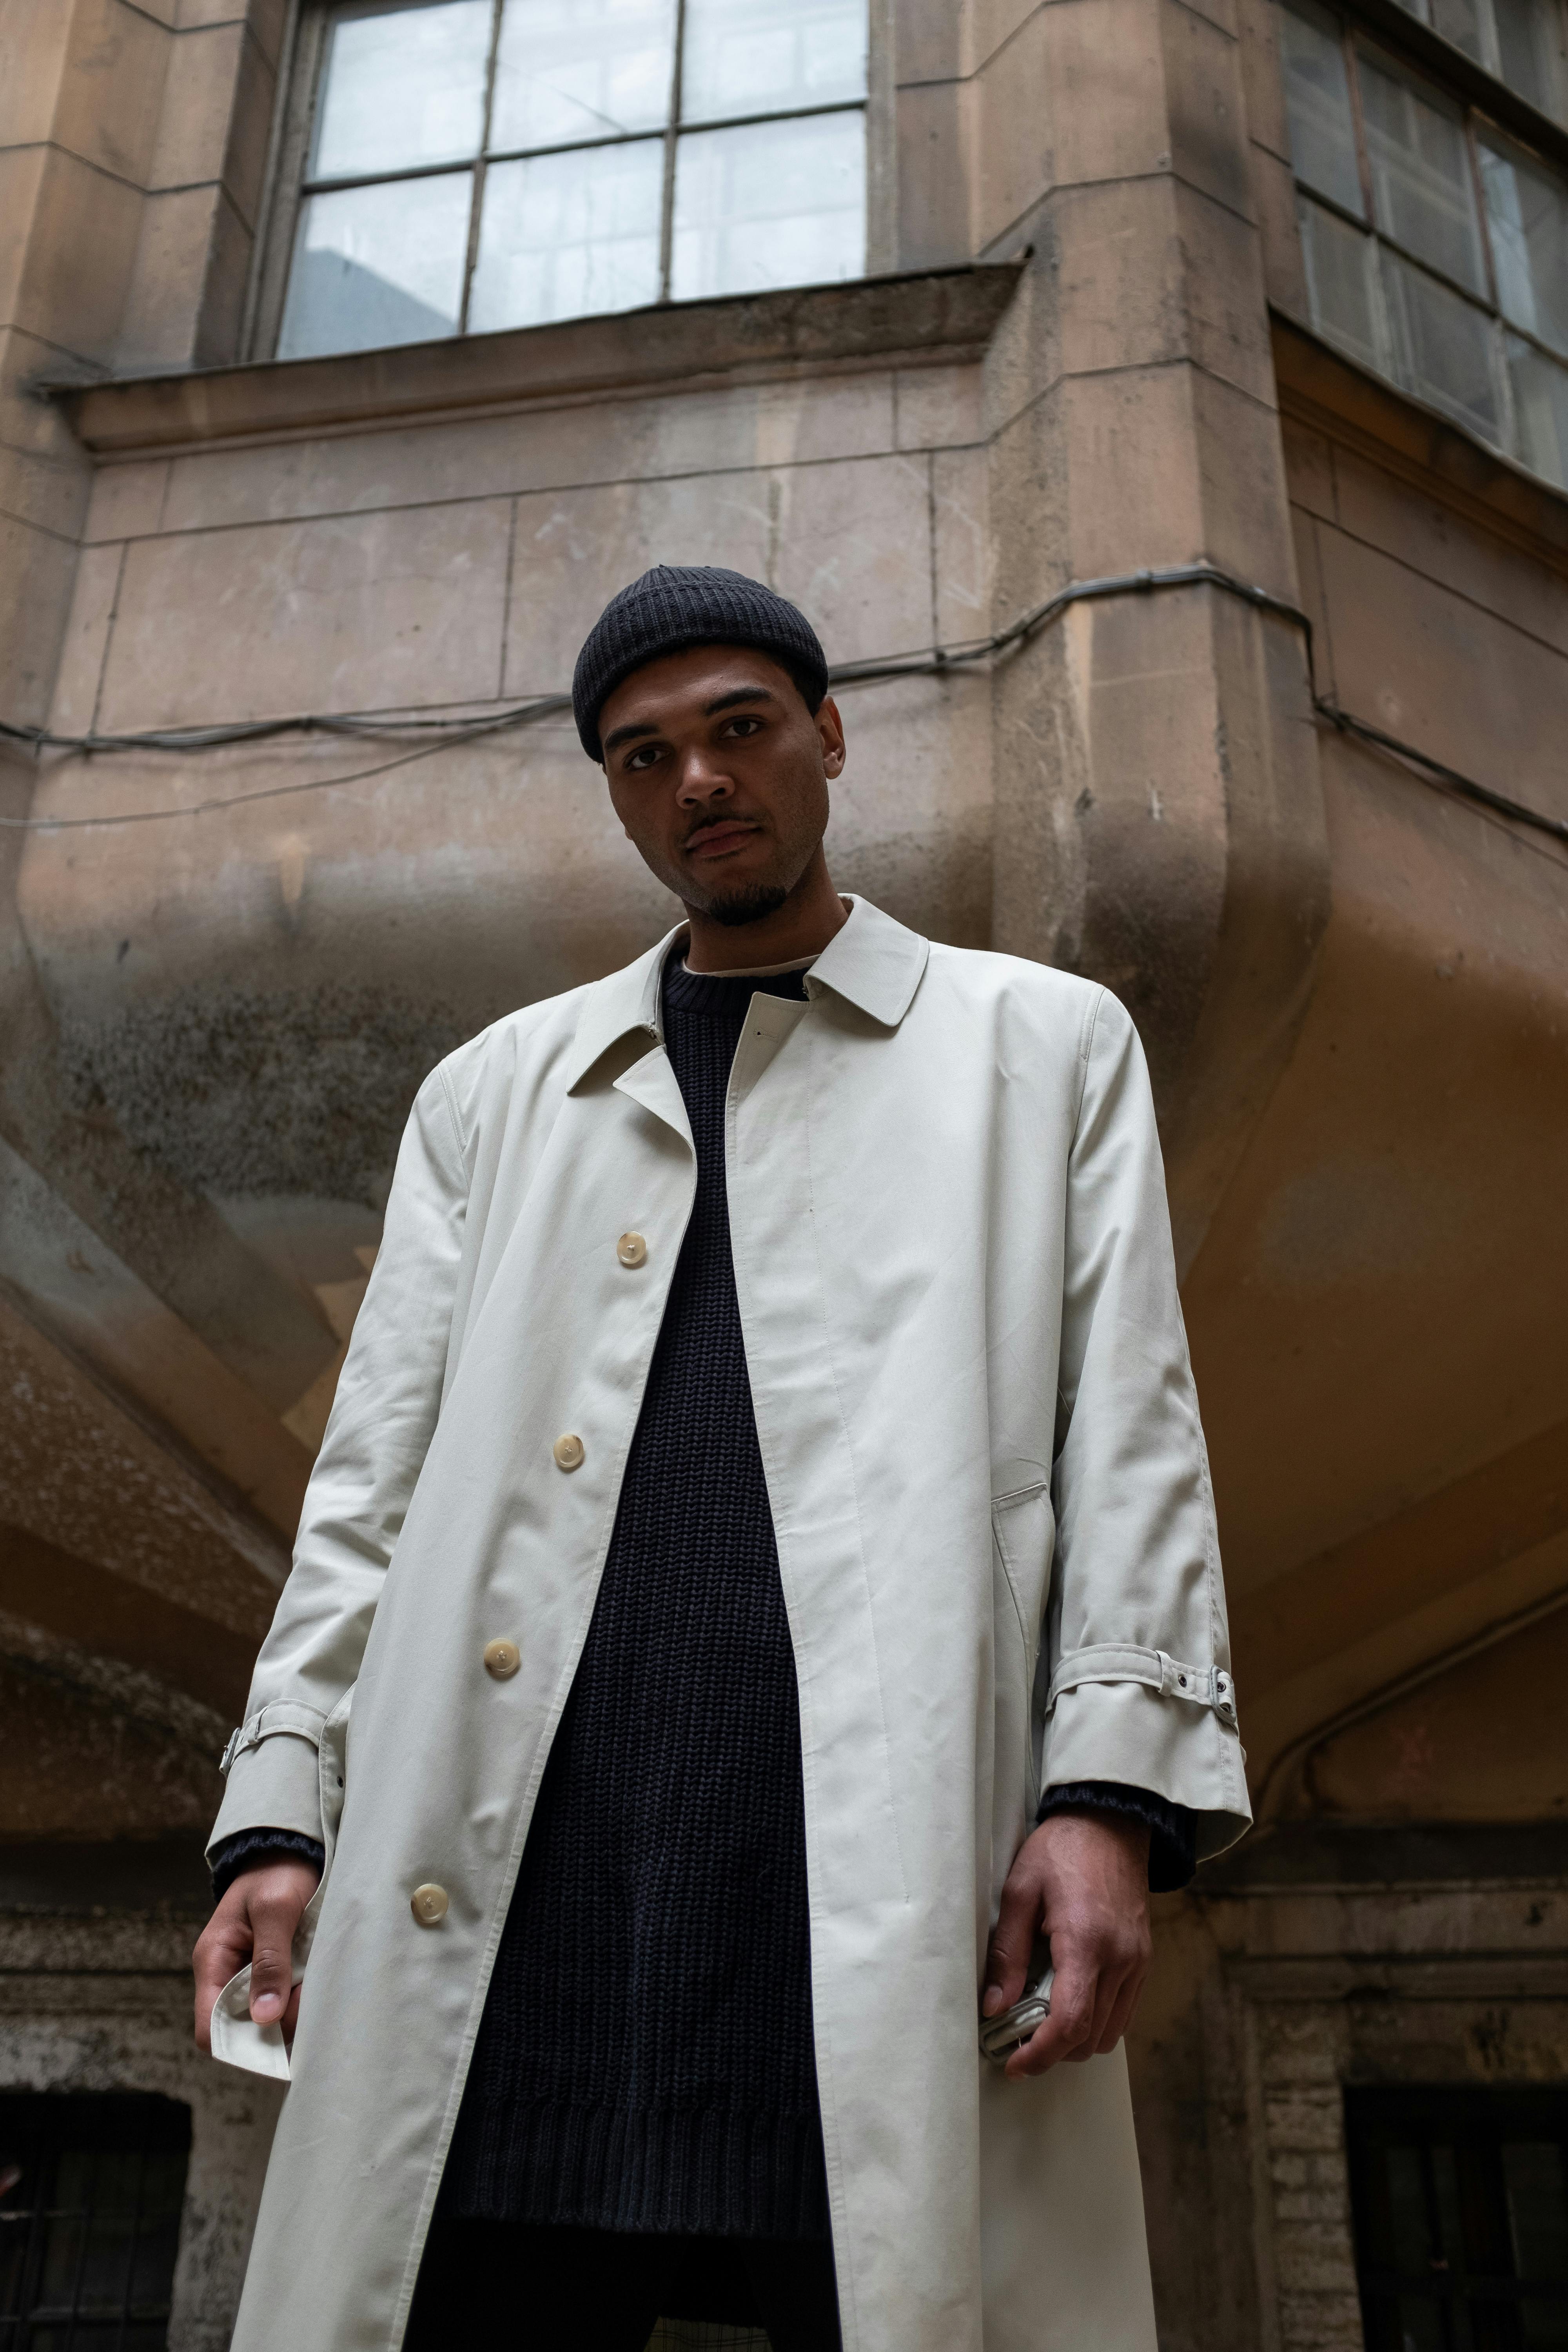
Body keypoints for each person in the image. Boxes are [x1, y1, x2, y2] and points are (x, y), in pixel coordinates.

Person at [194, 566, 1249, 2352]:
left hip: (864, 1896)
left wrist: (1106, 1801)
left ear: (829, 737)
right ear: (615, 793)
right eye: (643, 755)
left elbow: (1130, 1435)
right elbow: (363, 1494)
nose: (698, 780)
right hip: (523, 1902)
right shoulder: (494, 1090)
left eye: (739, 728)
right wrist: (284, 1804)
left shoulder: (1041, 1045)